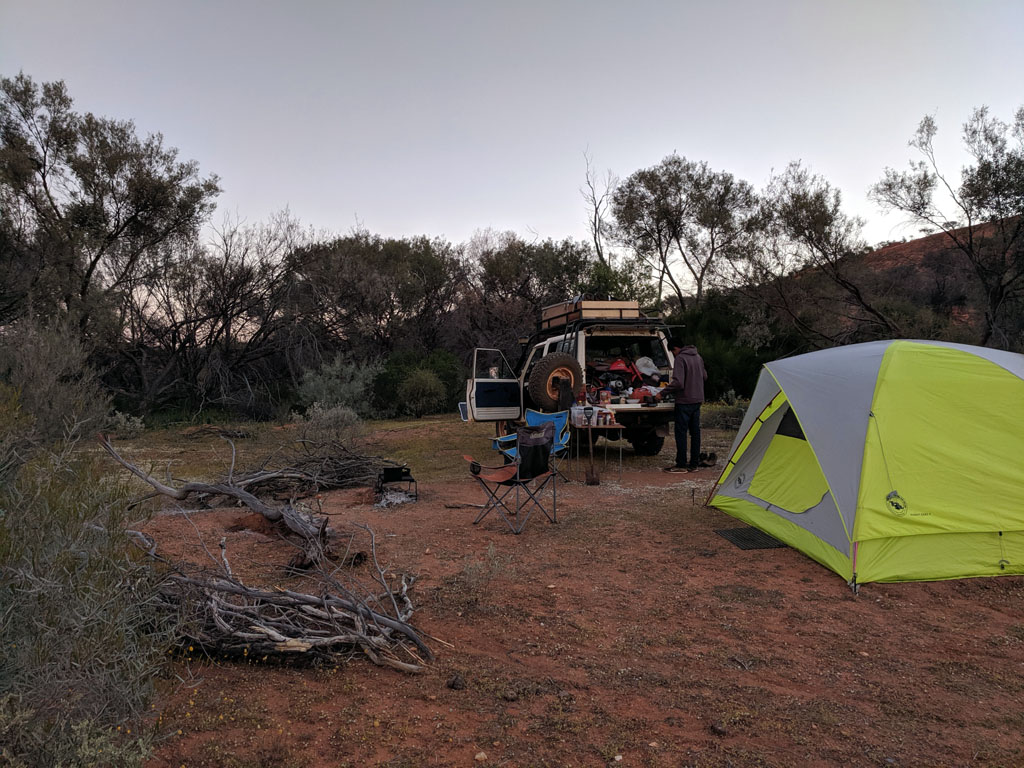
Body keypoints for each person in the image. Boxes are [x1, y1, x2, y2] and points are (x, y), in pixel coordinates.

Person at [658, 338, 707, 472]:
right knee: (695, 433)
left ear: (675, 349)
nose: (674, 355)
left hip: (684, 400)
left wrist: (662, 393)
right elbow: (704, 376)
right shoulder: (698, 357)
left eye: (673, 352)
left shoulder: (680, 358)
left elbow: (678, 382)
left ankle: (681, 464)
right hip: (697, 399)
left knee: (681, 433)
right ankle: (694, 464)